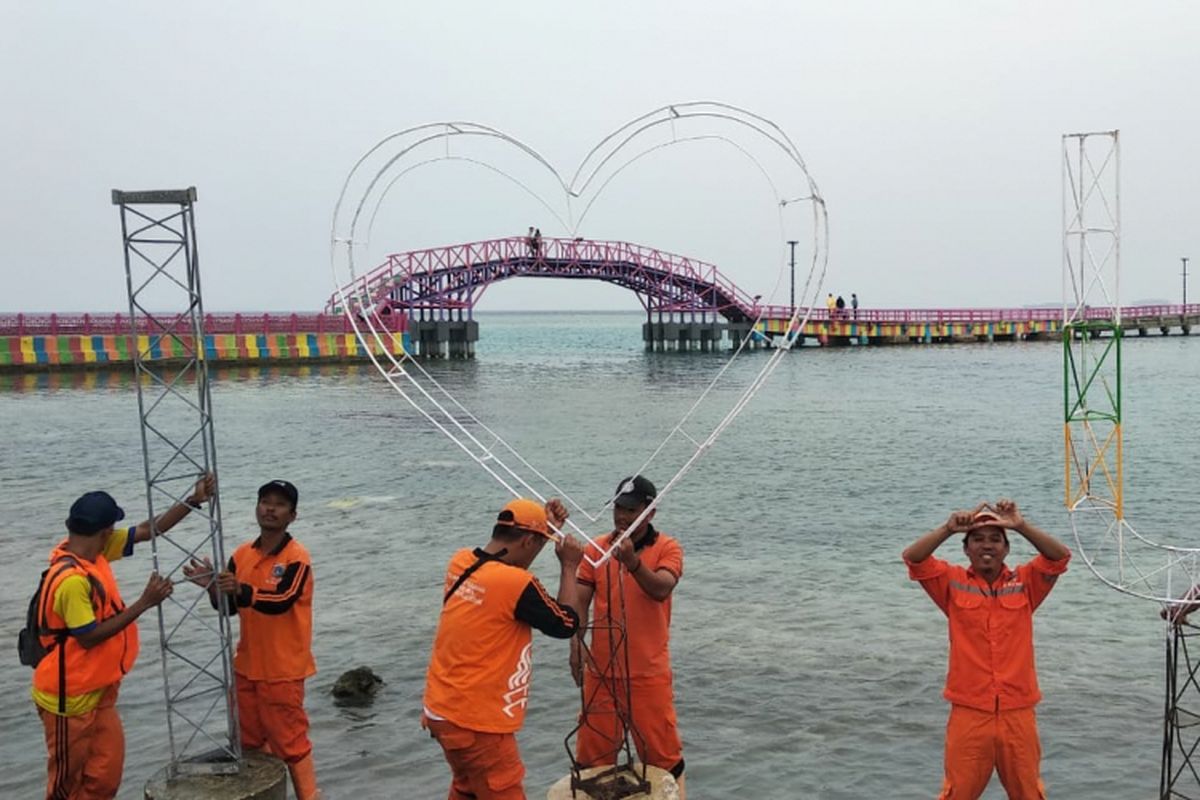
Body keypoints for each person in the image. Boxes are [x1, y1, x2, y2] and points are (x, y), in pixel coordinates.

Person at [32, 475, 214, 800]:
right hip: (67, 700)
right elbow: (88, 637)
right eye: (111, 530)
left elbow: (148, 530)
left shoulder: (94, 552)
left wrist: (194, 499)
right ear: (104, 533)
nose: (114, 535)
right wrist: (145, 602)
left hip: (99, 692)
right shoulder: (71, 581)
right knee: (65, 787)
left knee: (104, 778)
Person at [901, 499, 1071, 800]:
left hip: (1017, 711)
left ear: (1006, 549)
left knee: (1029, 793)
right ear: (966, 549)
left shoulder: (1025, 582)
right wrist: (948, 529)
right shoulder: (951, 583)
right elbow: (914, 559)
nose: (986, 546)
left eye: (995, 539)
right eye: (977, 539)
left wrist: (1020, 525)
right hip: (969, 711)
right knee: (957, 794)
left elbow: (1059, 558)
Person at [422, 497, 584, 800]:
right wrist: (569, 567)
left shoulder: (460, 562)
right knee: (502, 789)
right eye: (538, 544)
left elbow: (509, 568)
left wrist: (542, 529)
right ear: (527, 540)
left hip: (441, 711)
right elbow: (566, 624)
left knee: (467, 788)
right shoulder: (517, 584)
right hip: (477, 724)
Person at [183, 480, 320, 800]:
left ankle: (309, 795)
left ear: (292, 515)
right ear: (256, 507)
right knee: (249, 741)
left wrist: (242, 590)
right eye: (265, 502)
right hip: (246, 665)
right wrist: (212, 588)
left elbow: (282, 600)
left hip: (283, 669)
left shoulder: (297, 557)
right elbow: (229, 608)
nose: (271, 508)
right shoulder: (242, 554)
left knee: (292, 744)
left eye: (280, 504)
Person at [570, 476, 687, 798]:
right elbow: (580, 602)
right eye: (618, 508)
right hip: (601, 674)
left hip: (647, 673)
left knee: (663, 758)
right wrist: (575, 644)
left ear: (649, 512)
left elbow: (661, 589)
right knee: (592, 758)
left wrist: (633, 562)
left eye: (630, 510)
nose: (621, 517)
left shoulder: (668, 548)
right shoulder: (596, 549)